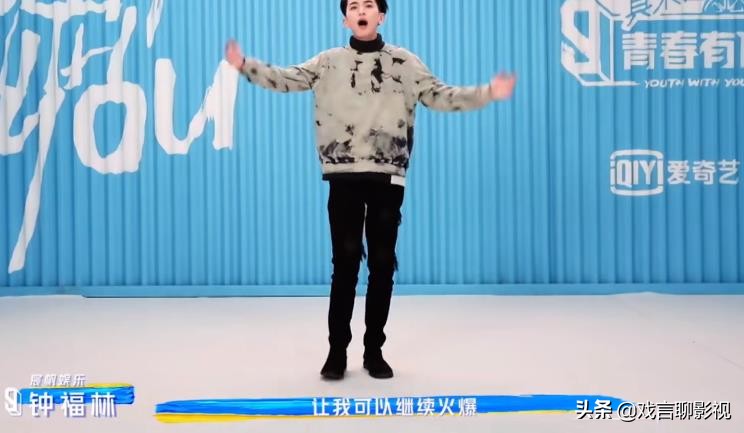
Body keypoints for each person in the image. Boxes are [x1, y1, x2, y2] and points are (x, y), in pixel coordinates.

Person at [225, 0, 516, 380]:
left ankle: (374, 350)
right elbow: (287, 78)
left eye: (368, 5)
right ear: (345, 19)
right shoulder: (328, 62)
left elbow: (440, 95)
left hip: (387, 176)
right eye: (353, 6)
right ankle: (336, 353)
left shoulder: (405, 63)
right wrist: (245, 65)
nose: (361, 11)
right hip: (343, 175)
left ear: (381, 16)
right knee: (345, 264)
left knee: (381, 264)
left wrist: (488, 92)